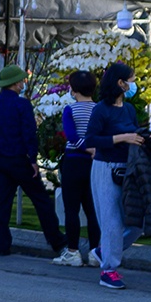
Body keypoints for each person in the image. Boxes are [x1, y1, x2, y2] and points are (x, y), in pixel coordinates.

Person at [0, 65, 67, 258]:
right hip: (20, 159)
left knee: (1, 202)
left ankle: (2, 244)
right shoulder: (22, 105)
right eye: (21, 81)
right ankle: (56, 241)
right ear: (15, 83)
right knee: (41, 200)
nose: (23, 83)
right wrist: (32, 158)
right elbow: (28, 133)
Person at [77, 61, 146, 290]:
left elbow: (134, 132)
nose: (134, 83)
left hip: (127, 168)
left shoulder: (128, 109)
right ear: (120, 82)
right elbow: (91, 140)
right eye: (132, 79)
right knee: (111, 221)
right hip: (106, 167)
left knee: (136, 223)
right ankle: (108, 269)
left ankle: (103, 251)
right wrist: (122, 138)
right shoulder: (101, 109)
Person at [56, 71, 102, 267]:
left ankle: (73, 251)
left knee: (71, 209)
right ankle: (94, 252)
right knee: (93, 210)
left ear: (73, 90)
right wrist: (94, 149)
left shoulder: (70, 110)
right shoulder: (99, 109)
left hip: (74, 161)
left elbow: (71, 136)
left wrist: (85, 147)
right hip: (94, 161)